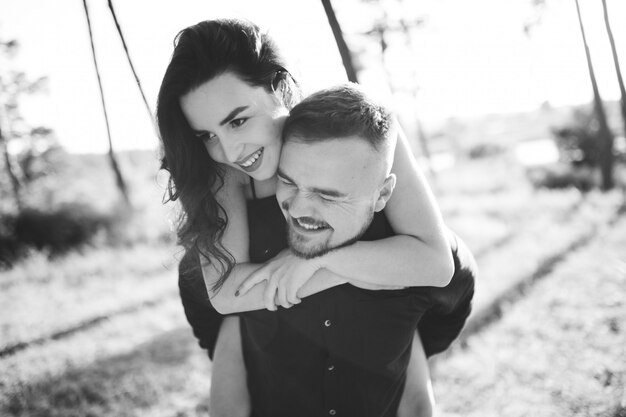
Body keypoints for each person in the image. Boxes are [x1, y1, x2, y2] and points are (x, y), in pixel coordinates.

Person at [157, 19, 475, 417]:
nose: (229, 149)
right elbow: (224, 293)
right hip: (262, 331)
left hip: (390, 312)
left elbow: (435, 262)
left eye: (238, 120)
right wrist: (318, 266)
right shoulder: (221, 173)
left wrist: (320, 260)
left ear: (279, 87)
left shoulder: (362, 132)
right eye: (206, 135)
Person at [227, 82, 475, 417]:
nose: (299, 209)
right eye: (288, 182)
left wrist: (320, 260)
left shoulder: (413, 265)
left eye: (327, 195)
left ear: (383, 195)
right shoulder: (246, 253)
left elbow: (417, 390)